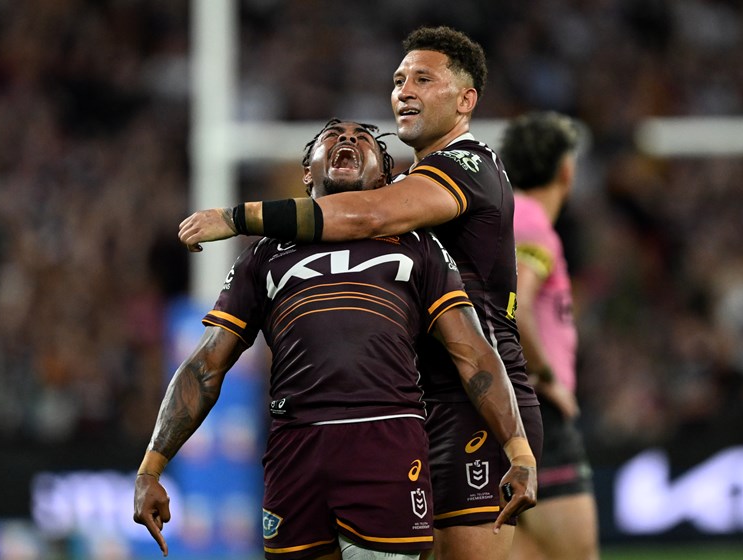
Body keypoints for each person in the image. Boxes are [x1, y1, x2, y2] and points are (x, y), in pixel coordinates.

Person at [177, 26, 542, 560]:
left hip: (475, 401)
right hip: (410, 405)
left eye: (423, 79)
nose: (404, 91)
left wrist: (236, 217)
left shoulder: (469, 163)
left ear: (466, 100)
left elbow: (365, 215)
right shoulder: (413, 179)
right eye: (398, 80)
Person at [499, 111, 600, 560]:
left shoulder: (502, 217)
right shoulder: (532, 222)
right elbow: (517, 307)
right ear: (566, 169)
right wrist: (546, 376)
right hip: (536, 411)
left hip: (502, 408)